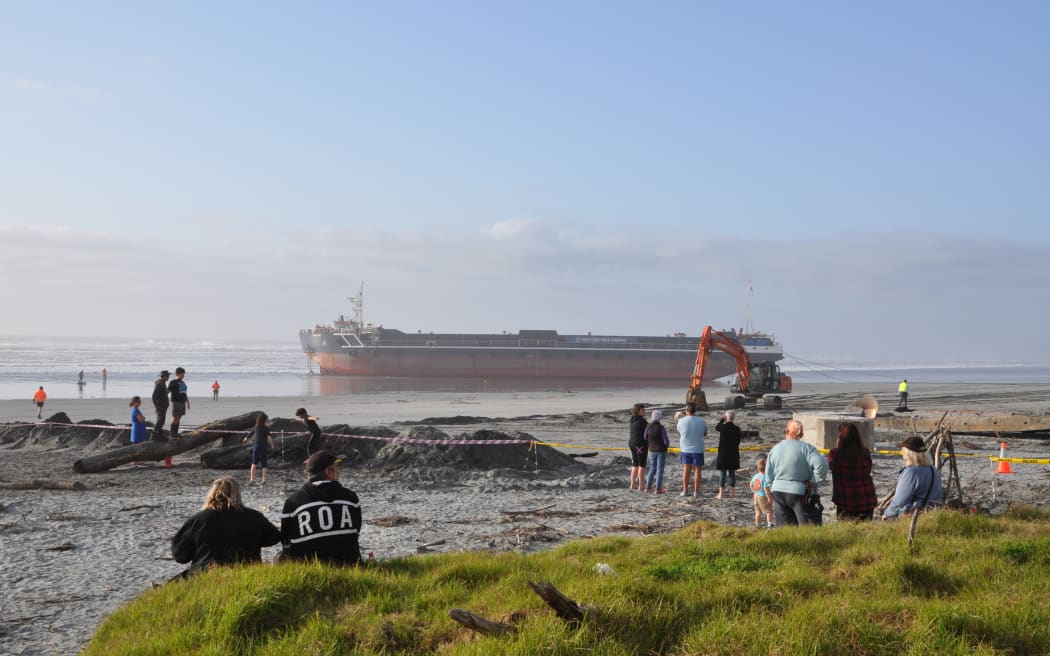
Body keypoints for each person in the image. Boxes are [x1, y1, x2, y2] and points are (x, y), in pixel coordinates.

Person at [171, 477, 280, 578]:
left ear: (212, 494)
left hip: (206, 574)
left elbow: (180, 555)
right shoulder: (254, 516)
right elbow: (273, 538)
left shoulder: (199, 520)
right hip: (248, 573)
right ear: (238, 494)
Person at [280, 450, 362, 565]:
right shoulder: (351, 498)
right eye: (337, 467)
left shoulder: (293, 502)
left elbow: (285, 541)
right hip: (351, 565)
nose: (339, 471)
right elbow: (356, 533)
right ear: (329, 472)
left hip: (308, 570)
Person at [766, 419, 828, 526]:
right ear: (802, 434)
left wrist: (772, 486)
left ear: (786, 432)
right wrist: (815, 481)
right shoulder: (807, 448)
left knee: (783, 529)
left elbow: (768, 473)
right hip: (798, 491)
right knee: (805, 527)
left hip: (778, 491)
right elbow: (821, 464)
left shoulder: (775, 449)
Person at [883, 436, 944, 520]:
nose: (901, 452)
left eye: (903, 450)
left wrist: (887, 513)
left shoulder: (911, 472)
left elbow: (901, 500)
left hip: (915, 517)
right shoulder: (933, 469)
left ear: (909, 453)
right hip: (933, 514)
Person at [826, 422, 877, 521]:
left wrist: (838, 446)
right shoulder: (865, 452)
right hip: (866, 499)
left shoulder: (835, 454)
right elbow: (868, 468)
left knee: (846, 533)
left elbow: (831, 466)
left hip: (846, 500)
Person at [676, 404, 707, 497]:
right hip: (698, 448)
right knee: (697, 470)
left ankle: (685, 490)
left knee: (686, 469)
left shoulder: (681, 421)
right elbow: (705, 433)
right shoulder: (702, 421)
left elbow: (679, 432)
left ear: (686, 410)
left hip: (686, 448)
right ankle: (696, 491)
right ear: (695, 411)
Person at [714, 410, 742, 500]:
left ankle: (721, 494)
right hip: (733, 453)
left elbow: (717, 427)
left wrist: (722, 420)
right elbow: (738, 441)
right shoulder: (737, 429)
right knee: (732, 474)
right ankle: (732, 494)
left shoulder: (723, 427)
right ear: (734, 418)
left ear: (726, 417)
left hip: (723, 453)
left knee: (723, 473)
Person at [243, 413, 275, 484]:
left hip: (256, 446)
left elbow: (249, 434)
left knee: (254, 463)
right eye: (267, 419)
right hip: (264, 446)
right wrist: (272, 445)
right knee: (264, 463)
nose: (267, 420)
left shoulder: (256, 427)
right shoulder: (266, 428)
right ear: (264, 420)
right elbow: (269, 438)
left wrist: (245, 439)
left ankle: (252, 479)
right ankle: (264, 479)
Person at [643, 410, 670, 494]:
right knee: (659, 470)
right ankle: (658, 489)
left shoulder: (648, 427)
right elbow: (666, 441)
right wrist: (667, 446)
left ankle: (648, 487)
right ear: (660, 417)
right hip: (661, 450)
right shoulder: (661, 428)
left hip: (652, 450)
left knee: (652, 468)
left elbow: (645, 437)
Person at [750, 457, 773, 529]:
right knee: (769, 511)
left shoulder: (756, 476)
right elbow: (766, 488)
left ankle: (757, 525)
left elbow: (750, 485)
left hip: (756, 496)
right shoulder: (765, 477)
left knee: (758, 512)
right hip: (763, 496)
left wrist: (754, 492)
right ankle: (769, 525)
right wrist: (769, 497)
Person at [168, 367, 190, 438]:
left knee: (179, 418)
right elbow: (168, 391)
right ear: (177, 374)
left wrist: (187, 402)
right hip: (176, 402)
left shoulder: (183, 382)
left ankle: (176, 433)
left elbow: (184, 393)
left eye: (183, 374)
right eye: (181, 374)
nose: (182, 376)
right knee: (175, 418)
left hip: (182, 402)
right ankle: (172, 434)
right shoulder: (173, 382)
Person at [151, 370, 170, 441]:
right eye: (167, 376)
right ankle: (154, 436)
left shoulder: (163, 383)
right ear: (164, 376)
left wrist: (170, 390)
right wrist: (156, 406)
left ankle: (159, 435)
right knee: (160, 421)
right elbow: (154, 396)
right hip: (160, 406)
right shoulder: (159, 384)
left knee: (162, 421)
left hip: (163, 406)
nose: (168, 377)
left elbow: (164, 393)